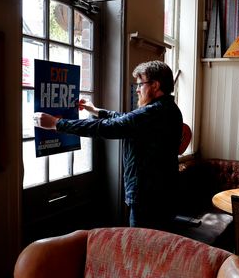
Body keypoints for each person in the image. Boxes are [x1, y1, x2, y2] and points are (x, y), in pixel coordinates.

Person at [34, 60, 183, 230]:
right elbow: (126, 119)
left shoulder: (154, 112)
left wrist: (57, 124)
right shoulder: (167, 109)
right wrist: (96, 110)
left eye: (140, 84)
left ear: (155, 85)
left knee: (142, 249)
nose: (137, 89)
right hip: (161, 196)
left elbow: (110, 127)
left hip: (148, 200)